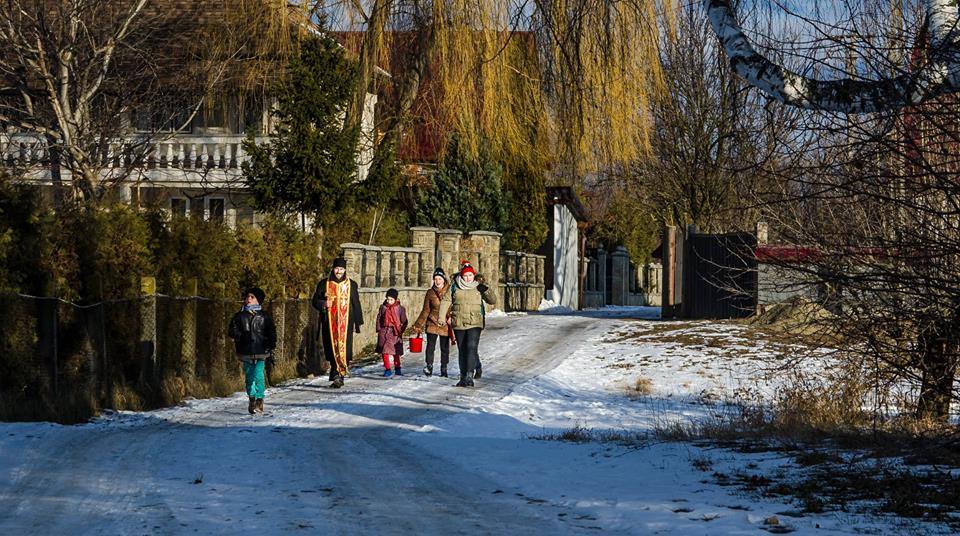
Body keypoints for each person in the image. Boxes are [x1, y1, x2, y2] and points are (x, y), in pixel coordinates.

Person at [439, 261, 497, 387]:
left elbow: (493, 301)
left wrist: (486, 290)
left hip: (475, 322)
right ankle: (463, 376)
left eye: (470, 275)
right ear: (461, 275)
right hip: (459, 322)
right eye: (465, 276)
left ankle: (470, 376)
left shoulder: (478, 286)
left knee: (471, 347)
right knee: (462, 349)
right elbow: (446, 301)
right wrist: (441, 317)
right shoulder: (455, 286)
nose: (468, 278)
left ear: (474, 275)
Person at [312, 258, 364, 388]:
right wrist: (323, 303)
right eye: (336, 268)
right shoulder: (324, 284)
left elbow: (356, 303)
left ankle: (339, 375)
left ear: (345, 269)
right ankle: (335, 372)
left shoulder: (351, 284)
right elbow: (315, 301)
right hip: (329, 323)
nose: (339, 271)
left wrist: (357, 323)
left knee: (344, 349)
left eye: (341, 269)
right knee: (331, 348)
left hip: (346, 323)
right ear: (333, 269)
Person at [228, 287, 277, 414]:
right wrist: (239, 336)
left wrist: (271, 344)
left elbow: (271, 331)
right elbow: (232, 331)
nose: (248, 299)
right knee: (249, 377)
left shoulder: (264, 316)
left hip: (261, 350)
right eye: (247, 297)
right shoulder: (239, 316)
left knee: (259, 375)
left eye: (252, 297)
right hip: (246, 351)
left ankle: (260, 399)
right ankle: (251, 398)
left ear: (258, 301)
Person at [413, 267, 452, 377]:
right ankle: (429, 366)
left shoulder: (450, 291)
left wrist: (452, 318)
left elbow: (454, 306)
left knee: (444, 347)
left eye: (439, 278)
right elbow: (426, 310)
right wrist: (418, 323)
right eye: (435, 279)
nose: (437, 281)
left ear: (444, 279)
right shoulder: (430, 292)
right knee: (430, 346)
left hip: (445, 322)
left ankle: (444, 368)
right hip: (432, 321)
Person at [376, 288, 408, 377]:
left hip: (395, 333)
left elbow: (404, 320)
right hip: (384, 332)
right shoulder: (383, 307)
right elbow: (379, 317)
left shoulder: (400, 309)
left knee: (395, 352)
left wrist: (401, 330)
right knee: (384, 352)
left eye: (391, 299)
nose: (389, 301)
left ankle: (397, 368)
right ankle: (387, 369)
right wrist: (379, 329)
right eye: (388, 299)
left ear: (395, 299)